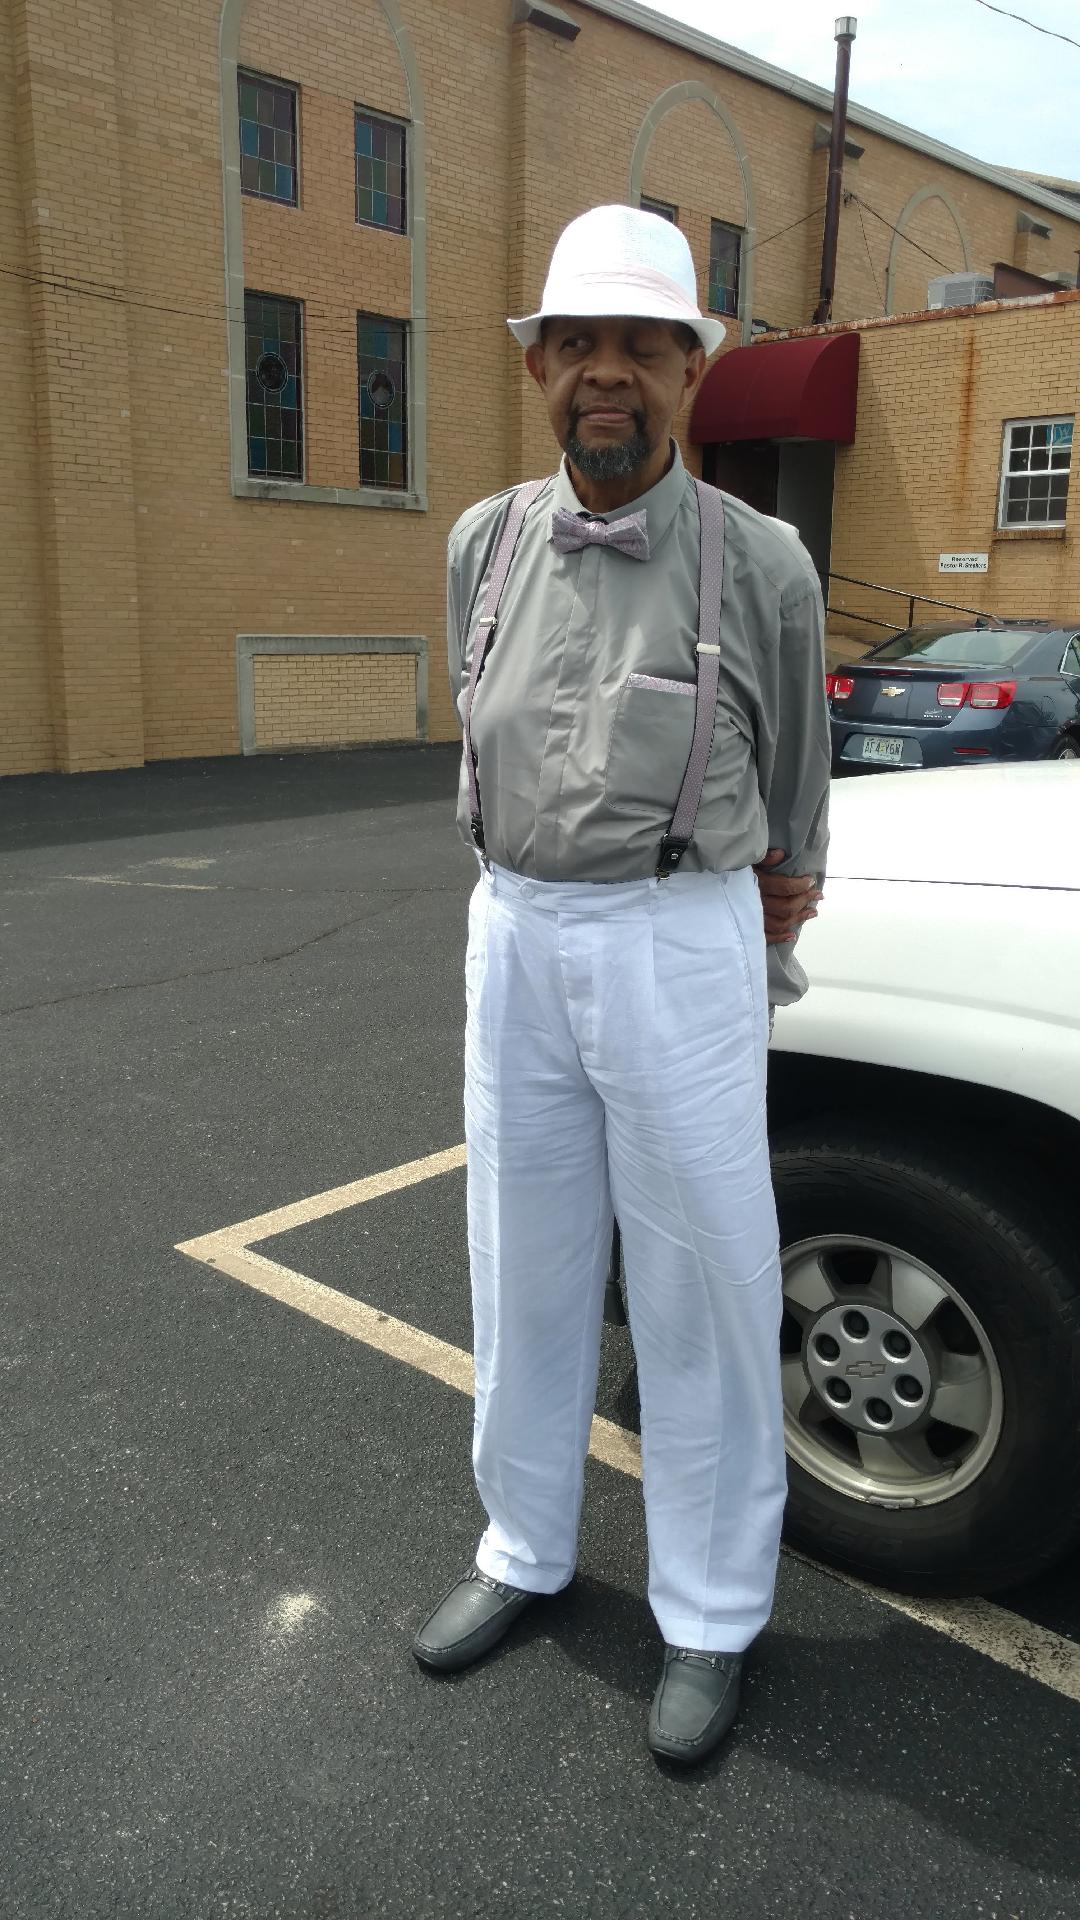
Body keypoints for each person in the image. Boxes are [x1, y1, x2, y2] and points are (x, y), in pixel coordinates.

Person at [413, 205, 830, 1766]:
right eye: (576, 343)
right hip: (513, 926)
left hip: (675, 931)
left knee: (701, 1282)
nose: (606, 374)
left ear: (690, 372)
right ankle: (522, 1548)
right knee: (519, 1260)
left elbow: (797, 799)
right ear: (537, 368)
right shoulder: (484, 540)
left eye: (641, 347)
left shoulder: (762, 561)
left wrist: (765, 914)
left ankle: (711, 1613)